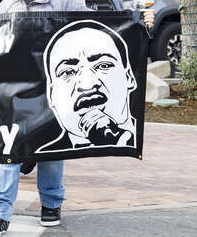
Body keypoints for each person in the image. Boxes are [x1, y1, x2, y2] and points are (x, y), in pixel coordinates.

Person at [0, 0, 87, 237]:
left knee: (52, 146)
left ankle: (51, 204)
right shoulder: (10, 1)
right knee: (8, 148)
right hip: (13, 89)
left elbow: (88, 34)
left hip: (55, 89)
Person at [36, 20, 138, 153]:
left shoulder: (152, 146)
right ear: (50, 94)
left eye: (103, 66)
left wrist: (142, 21)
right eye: (68, 72)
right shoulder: (45, 152)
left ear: (129, 77)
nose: (87, 85)